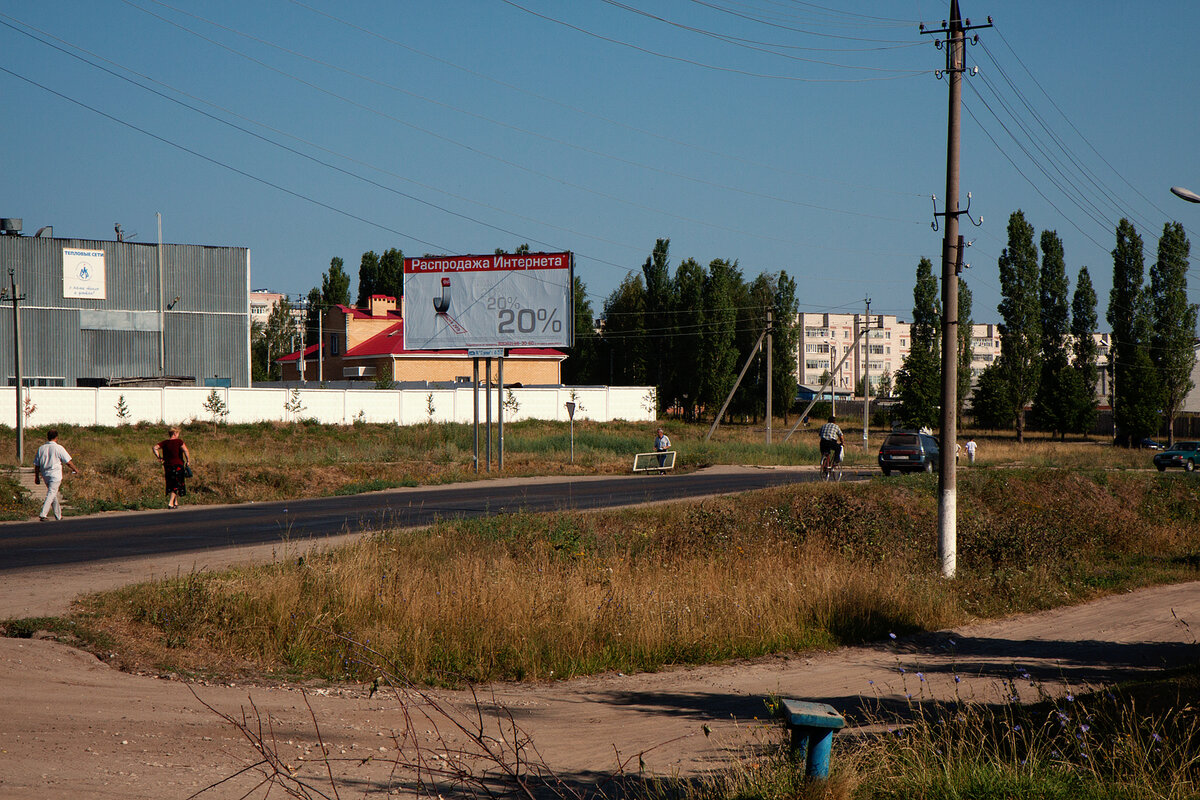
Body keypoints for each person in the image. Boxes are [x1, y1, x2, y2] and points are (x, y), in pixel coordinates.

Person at [33, 429, 80, 521]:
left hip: (45, 474)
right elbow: (68, 462)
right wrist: (75, 469)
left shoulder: (41, 448)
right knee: (51, 493)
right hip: (55, 474)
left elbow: (37, 465)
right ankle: (43, 514)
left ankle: (58, 515)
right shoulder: (59, 448)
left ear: (47, 437)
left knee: (53, 494)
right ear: (57, 437)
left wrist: (37, 477)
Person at [153, 427, 191, 509]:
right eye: (178, 433)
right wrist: (188, 460)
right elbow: (186, 450)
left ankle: (175, 502)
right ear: (175, 434)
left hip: (168, 465)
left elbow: (155, 448)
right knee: (177, 484)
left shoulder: (165, 443)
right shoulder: (179, 442)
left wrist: (159, 457)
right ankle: (170, 503)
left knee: (171, 482)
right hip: (178, 465)